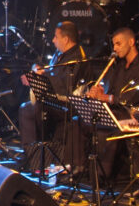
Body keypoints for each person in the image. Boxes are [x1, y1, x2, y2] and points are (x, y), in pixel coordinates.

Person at [87, 28, 139, 181]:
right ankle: (83, 171)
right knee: (84, 118)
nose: (115, 49)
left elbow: (131, 98)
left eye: (118, 44)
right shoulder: (120, 66)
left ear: (131, 42)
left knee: (103, 124)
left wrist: (105, 97)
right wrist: (100, 93)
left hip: (134, 112)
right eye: (114, 45)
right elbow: (112, 93)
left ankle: (102, 177)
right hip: (118, 110)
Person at [18, 21, 91, 164]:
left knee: (28, 110)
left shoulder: (77, 59)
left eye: (56, 37)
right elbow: (51, 71)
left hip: (69, 105)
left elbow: (64, 86)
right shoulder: (61, 54)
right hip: (55, 100)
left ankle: (36, 157)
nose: (53, 40)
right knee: (27, 107)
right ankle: (34, 153)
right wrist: (37, 72)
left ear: (66, 39)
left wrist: (39, 77)